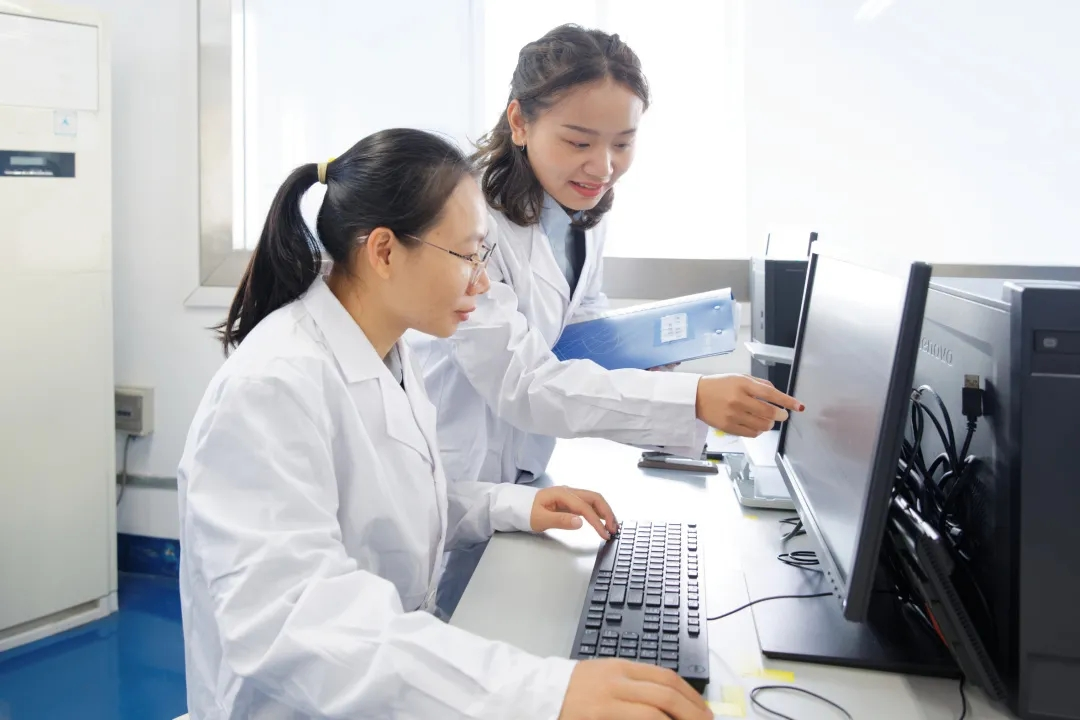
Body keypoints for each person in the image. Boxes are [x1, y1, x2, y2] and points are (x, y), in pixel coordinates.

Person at [176, 128, 713, 720]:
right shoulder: (272, 387)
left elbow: (393, 501)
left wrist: (510, 505)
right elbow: (296, 625)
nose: (482, 282)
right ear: (384, 252)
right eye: (467, 256)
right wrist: (541, 694)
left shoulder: (388, 351)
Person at [408, 25, 803, 613]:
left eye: (623, 143)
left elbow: (578, 321)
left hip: (521, 477)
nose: (603, 166)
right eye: (579, 141)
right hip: (453, 478)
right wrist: (691, 398)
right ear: (519, 122)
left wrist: (636, 358)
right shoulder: (470, 225)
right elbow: (522, 382)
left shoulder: (578, 207)